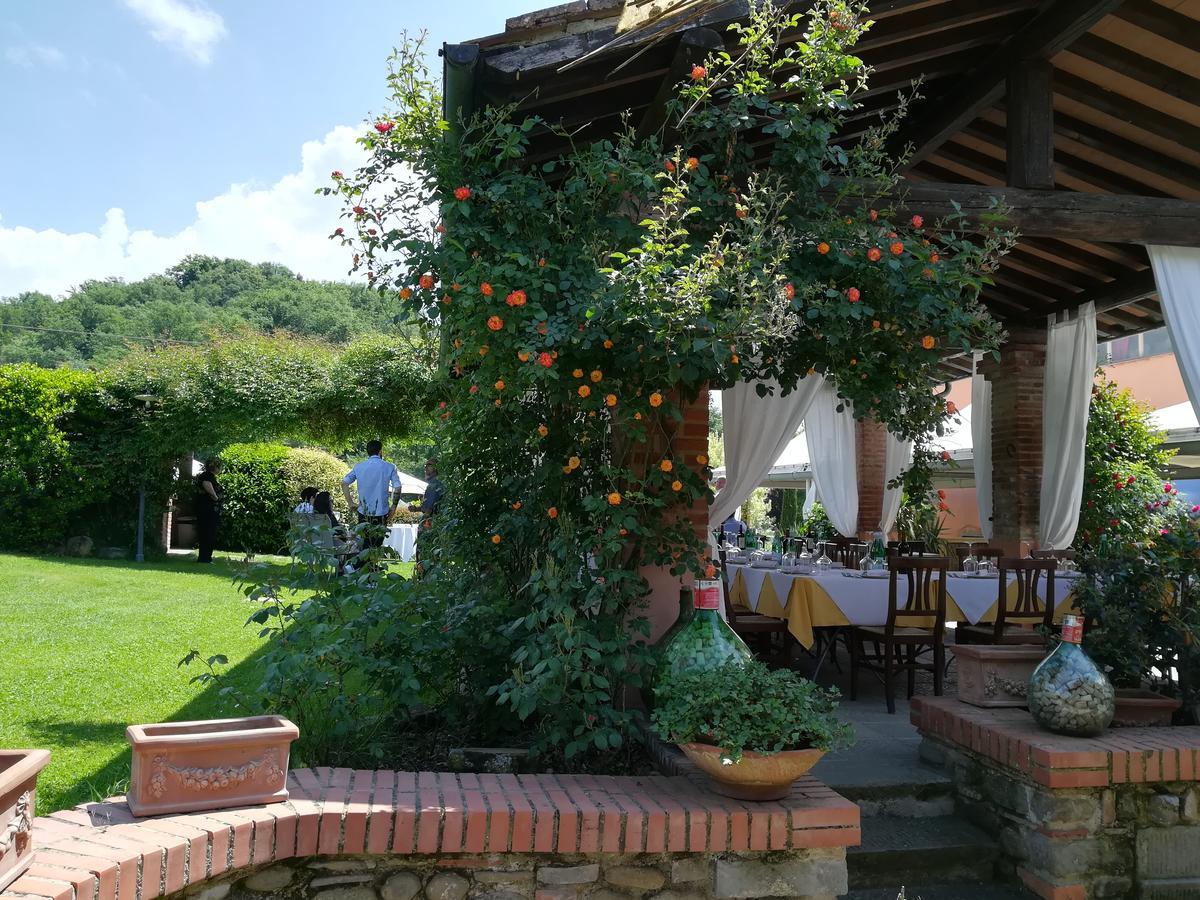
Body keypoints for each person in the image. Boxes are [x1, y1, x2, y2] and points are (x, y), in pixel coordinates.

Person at [341, 440, 402, 549]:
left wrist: (350, 503)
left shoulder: (358, 467)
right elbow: (397, 487)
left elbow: (344, 482)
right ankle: (354, 567)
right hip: (381, 512)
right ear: (380, 451)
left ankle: (358, 566)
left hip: (363, 512)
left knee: (366, 544)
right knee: (376, 545)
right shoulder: (390, 467)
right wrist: (393, 507)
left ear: (368, 451)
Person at [195, 457, 222, 564]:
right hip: (207, 510)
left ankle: (206, 557)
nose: (220, 469)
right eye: (219, 466)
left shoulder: (209, 476)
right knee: (207, 533)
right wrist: (215, 497)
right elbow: (207, 485)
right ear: (214, 467)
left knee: (209, 533)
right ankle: (204, 558)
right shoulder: (207, 476)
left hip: (209, 510)